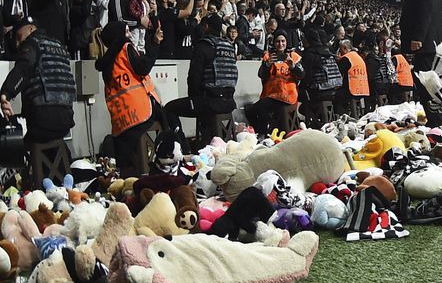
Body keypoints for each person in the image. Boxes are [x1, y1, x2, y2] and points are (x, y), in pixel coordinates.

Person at [0, 17, 76, 183]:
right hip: (66, 120)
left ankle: (32, 186)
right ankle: (59, 182)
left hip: (42, 121)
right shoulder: (59, 46)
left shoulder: (32, 45)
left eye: (19, 37)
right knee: (49, 145)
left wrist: (6, 93)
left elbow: (23, 68)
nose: (18, 44)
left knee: (16, 139)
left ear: (31, 29)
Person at [96, 21, 168, 175]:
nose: (130, 35)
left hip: (122, 123)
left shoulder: (107, 62)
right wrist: (155, 44)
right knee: (168, 118)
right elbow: (142, 68)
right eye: (127, 31)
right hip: (142, 113)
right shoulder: (125, 47)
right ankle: (169, 160)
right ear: (120, 35)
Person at [163, 14, 237, 142]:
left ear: (206, 26)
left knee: (169, 109)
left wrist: (194, 98)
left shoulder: (203, 46)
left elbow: (194, 78)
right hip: (229, 102)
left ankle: (183, 149)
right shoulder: (229, 47)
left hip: (209, 102)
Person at [245, 33, 304, 135]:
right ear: (274, 43)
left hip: (288, 96)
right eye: (277, 41)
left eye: (283, 41)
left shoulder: (294, 56)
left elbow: (302, 75)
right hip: (272, 95)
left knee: (260, 107)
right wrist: (267, 65)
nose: (280, 44)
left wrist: (293, 66)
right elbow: (261, 75)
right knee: (251, 109)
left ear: (286, 42)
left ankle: (262, 133)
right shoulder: (268, 56)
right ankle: (265, 131)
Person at [298, 29, 342, 122]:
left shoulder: (309, 54)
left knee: (302, 106)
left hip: (319, 93)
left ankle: (316, 123)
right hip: (334, 92)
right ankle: (324, 118)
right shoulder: (328, 52)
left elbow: (306, 77)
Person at [335, 40, 369, 117]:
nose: (340, 52)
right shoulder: (358, 57)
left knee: (335, 96)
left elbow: (339, 71)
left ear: (345, 48)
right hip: (363, 89)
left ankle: (341, 117)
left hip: (351, 90)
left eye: (341, 50)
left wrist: (338, 60)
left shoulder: (347, 58)